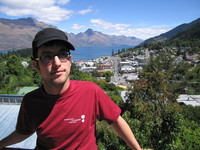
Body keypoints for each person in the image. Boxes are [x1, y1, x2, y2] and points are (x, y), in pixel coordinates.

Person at [0, 28, 142, 150]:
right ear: (36, 65)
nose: (57, 63)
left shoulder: (90, 91)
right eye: (47, 57)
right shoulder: (30, 101)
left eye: (62, 55)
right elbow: (23, 132)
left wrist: (137, 148)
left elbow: (115, 119)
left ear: (70, 60)